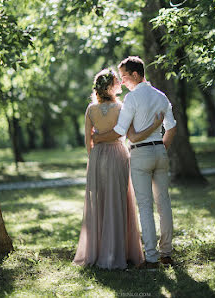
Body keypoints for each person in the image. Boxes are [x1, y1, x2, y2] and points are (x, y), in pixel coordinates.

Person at [73, 68, 163, 270]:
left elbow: (88, 141)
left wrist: (94, 157)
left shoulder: (90, 110)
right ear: (108, 87)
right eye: (116, 81)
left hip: (97, 158)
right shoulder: (121, 107)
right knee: (119, 201)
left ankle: (99, 251)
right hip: (118, 155)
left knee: (100, 202)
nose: (120, 84)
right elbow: (126, 134)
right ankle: (121, 251)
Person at [93, 57, 177, 269]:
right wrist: (160, 147)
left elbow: (121, 132)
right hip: (160, 150)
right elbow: (172, 128)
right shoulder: (161, 96)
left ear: (136, 75)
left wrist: (97, 137)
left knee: (146, 206)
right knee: (164, 203)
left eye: (124, 77)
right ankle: (166, 253)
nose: (122, 82)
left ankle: (151, 257)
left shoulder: (132, 98)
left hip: (140, 155)